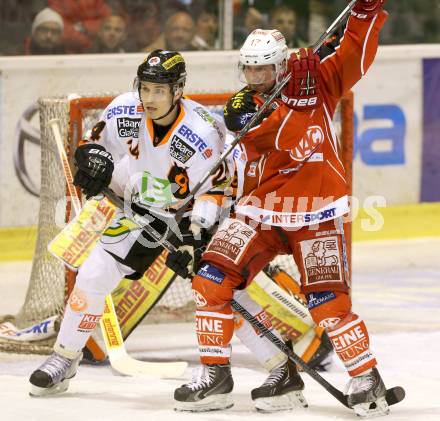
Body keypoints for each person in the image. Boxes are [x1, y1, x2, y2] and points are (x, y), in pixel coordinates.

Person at [173, 1, 390, 416]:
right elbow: (268, 136)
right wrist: (287, 105)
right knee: (211, 279)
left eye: (263, 70)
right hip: (263, 211)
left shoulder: (320, 80)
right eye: (249, 70)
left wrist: (363, 14)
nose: (255, 78)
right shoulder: (244, 106)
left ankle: (366, 377)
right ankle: (218, 375)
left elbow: (355, 56)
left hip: (318, 209)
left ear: (281, 67)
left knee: (327, 303)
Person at [28, 49, 231, 396]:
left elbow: (215, 191)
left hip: (192, 216)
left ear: (178, 90)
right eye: (145, 88)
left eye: (158, 91)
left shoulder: (203, 133)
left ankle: (271, 367)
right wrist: (93, 163)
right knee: (92, 274)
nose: (148, 98)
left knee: (220, 288)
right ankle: (64, 358)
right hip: (137, 209)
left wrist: (194, 237)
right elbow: (93, 145)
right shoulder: (124, 109)